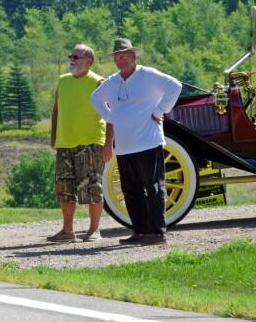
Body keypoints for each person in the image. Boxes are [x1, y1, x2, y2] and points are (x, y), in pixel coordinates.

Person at [90, 38, 182, 245]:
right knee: (130, 189)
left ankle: (157, 232)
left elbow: (175, 86)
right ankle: (140, 231)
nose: (121, 60)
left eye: (124, 56)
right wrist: (109, 115)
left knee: (153, 186)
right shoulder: (113, 81)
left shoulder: (148, 75)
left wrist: (160, 110)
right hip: (124, 145)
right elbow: (95, 98)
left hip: (148, 141)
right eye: (117, 57)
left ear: (133, 57)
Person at [48, 44, 114, 243]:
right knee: (65, 188)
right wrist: (53, 137)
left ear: (89, 61)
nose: (72, 60)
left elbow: (110, 114)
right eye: (71, 56)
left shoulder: (98, 82)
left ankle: (94, 230)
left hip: (91, 143)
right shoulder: (63, 81)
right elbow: (56, 111)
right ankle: (67, 231)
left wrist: (108, 143)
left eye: (77, 57)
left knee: (93, 187)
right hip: (65, 143)